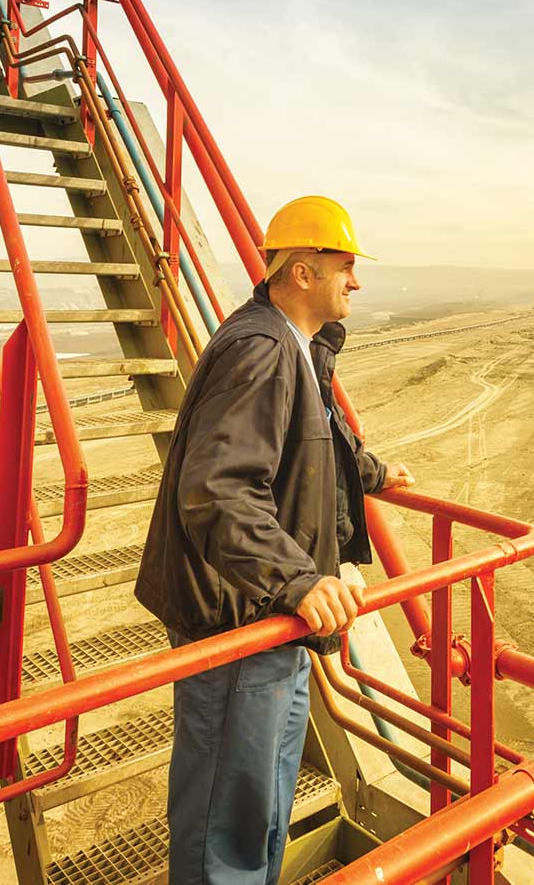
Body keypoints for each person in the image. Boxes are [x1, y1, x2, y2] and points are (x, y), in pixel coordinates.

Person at [134, 195, 415, 884]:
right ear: (302, 271)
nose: (356, 281)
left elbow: (316, 437)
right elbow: (218, 488)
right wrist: (297, 578)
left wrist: (373, 473)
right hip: (239, 619)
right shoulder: (260, 349)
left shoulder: (294, 344)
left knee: (262, 806)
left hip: (274, 621)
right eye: (345, 265)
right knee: (226, 820)